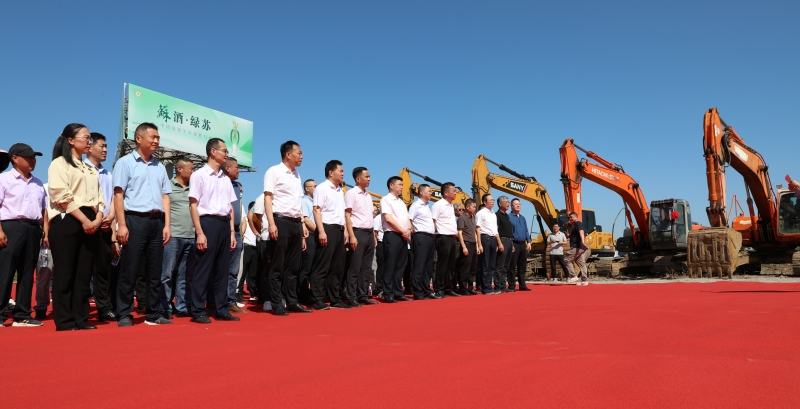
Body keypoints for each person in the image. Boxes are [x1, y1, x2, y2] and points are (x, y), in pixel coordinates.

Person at [112, 122, 173, 327]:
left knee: (155, 270)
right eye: (153, 137)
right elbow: (118, 195)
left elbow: (165, 197)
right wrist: (121, 224)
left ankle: (153, 312)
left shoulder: (160, 166)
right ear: (139, 138)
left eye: (158, 137)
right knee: (130, 268)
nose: (156, 141)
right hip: (134, 219)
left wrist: (167, 225)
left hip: (157, 222)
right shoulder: (125, 163)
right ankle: (124, 313)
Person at [48, 124, 105, 330]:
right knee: (65, 271)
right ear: (71, 140)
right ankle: (65, 320)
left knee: (84, 272)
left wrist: (97, 219)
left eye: (90, 138)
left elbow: (100, 199)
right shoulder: (59, 164)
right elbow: (61, 196)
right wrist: (84, 220)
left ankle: (81, 318)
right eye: (86, 137)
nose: (89, 141)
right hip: (68, 219)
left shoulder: (90, 169)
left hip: (91, 219)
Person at [188, 138, 240, 323]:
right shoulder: (199, 175)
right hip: (208, 223)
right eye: (224, 151)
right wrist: (200, 232)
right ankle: (197, 310)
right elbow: (193, 205)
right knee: (203, 268)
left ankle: (222, 309)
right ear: (212, 151)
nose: (226, 154)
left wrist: (232, 232)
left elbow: (230, 207)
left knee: (222, 269)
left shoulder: (225, 179)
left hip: (225, 225)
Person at [0, 143, 47, 327]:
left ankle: (22, 314)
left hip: (34, 228)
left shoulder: (38, 183)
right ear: (15, 158)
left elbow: (44, 210)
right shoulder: (4, 179)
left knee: (28, 272)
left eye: (34, 157)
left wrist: (45, 231)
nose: (32, 160)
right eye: (28, 157)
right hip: (11, 226)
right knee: (6, 271)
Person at [263, 141, 309, 316]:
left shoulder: (297, 175)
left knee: (294, 266)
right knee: (278, 265)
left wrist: (302, 224)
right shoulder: (274, 171)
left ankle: (292, 301)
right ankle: (276, 303)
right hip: (280, 220)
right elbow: (268, 198)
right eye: (299, 153)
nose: (302, 156)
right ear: (288, 154)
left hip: (296, 222)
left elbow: (298, 202)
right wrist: (272, 223)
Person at [84, 133, 117, 321]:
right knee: (83, 269)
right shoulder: (81, 170)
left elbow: (113, 199)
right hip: (87, 225)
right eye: (101, 146)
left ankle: (104, 308)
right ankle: (80, 307)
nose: (105, 150)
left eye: (106, 146)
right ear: (89, 147)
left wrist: (110, 216)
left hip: (105, 227)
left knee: (102, 270)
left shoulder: (108, 175)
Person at [309, 160, 347, 310]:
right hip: (326, 228)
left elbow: (341, 213)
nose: (343, 173)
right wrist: (321, 231)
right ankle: (317, 299)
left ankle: (334, 298)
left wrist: (345, 231)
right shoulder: (322, 188)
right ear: (331, 172)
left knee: (337, 267)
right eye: (340, 171)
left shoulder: (340, 191)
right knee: (322, 265)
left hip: (339, 229)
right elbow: (316, 210)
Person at [161, 157, 195, 318]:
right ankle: (165, 306)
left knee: (186, 275)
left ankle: (182, 306)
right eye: (191, 169)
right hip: (173, 236)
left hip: (191, 236)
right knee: (167, 274)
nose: (193, 172)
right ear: (179, 169)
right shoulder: (167, 186)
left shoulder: (194, 188)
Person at [344, 167, 378, 305]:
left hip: (369, 233)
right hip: (357, 232)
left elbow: (370, 217)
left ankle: (362, 295)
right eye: (366, 176)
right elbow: (347, 215)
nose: (369, 179)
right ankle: (351, 296)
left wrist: (373, 236)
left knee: (366, 267)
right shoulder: (351, 194)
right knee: (355, 266)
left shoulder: (368, 196)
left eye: (369, 176)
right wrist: (351, 235)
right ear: (358, 179)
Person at [380, 176, 412, 303]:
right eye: (400, 184)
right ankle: (388, 293)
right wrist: (403, 231)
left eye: (402, 185)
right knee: (390, 265)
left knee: (400, 266)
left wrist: (408, 230)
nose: (402, 187)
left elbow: (407, 219)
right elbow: (388, 218)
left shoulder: (401, 202)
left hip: (403, 236)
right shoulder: (386, 200)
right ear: (391, 185)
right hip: (392, 235)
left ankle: (398, 292)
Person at [223, 158, 247, 314]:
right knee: (219, 268)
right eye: (236, 167)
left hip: (237, 231)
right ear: (227, 168)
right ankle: (215, 301)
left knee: (233, 270)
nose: (239, 170)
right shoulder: (219, 182)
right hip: (222, 229)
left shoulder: (237, 186)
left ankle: (231, 301)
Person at [408, 184, 438, 300]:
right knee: (419, 265)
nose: (431, 193)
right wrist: (411, 235)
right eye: (429, 191)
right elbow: (409, 220)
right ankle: (417, 291)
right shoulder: (416, 206)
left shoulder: (427, 207)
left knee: (428, 266)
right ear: (421, 192)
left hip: (430, 238)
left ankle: (426, 290)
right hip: (421, 236)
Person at [432, 182, 460, 298]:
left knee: (451, 265)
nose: (455, 193)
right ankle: (439, 288)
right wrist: (435, 235)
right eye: (453, 191)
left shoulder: (451, 206)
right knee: (442, 264)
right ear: (446, 193)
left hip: (452, 238)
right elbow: (433, 220)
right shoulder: (438, 205)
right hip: (443, 236)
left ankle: (448, 287)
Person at [475, 194, 502, 295]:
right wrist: (479, 244)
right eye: (490, 200)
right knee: (485, 264)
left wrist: (498, 243)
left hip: (493, 239)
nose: (492, 202)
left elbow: (495, 230)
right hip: (485, 238)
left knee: (492, 265)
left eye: (493, 200)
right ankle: (484, 287)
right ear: (484, 202)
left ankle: (489, 286)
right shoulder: (480, 213)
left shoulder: (493, 214)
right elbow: (478, 229)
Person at [298, 179, 316, 305]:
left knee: (314, 267)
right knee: (306, 267)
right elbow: (306, 220)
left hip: (317, 235)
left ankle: (313, 294)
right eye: (314, 186)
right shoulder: (304, 201)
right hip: (309, 235)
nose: (317, 188)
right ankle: (302, 294)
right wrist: (320, 231)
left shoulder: (316, 202)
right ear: (307, 188)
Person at [508, 198, 532, 291]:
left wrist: (528, 242)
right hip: (514, 244)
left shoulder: (523, 218)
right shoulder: (509, 217)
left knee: (522, 266)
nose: (518, 205)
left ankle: (522, 285)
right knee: (512, 266)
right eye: (516, 204)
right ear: (511, 206)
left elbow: (526, 230)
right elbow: (509, 232)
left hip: (523, 244)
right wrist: (511, 244)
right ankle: (511, 286)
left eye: (519, 204)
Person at [456, 199, 478, 295]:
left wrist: (477, 245)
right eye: (473, 206)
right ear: (467, 207)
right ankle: (463, 287)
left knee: (473, 268)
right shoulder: (462, 218)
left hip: (473, 244)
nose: (474, 208)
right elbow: (460, 233)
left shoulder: (472, 218)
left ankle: (470, 287)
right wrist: (464, 247)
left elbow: (474, 233)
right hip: (467, 244)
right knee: (465, 267)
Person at [239, 201, 258, 302]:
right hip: (246, 247)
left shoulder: (257, 221)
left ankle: (252, 292)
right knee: (243, 271)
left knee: (253, 272)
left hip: (255, 248)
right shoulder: (245, 220)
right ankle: (239, 292)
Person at [495, 196, 513, 292]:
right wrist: (499, 243)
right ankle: (498, 286)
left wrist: (512, 244)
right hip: (502, 240)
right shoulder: (497, 215)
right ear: (500, 204)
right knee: (500, 266)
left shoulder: (507, 216)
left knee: (506, 266)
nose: (508, 204)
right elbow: (496, 230)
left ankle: (503, 285)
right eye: (506, 202)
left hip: (509, 241)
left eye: (508, 202)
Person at [565, 211, 589, 285]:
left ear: (576, 216)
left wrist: (583, 242)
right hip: (580, 247)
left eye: (571, 217)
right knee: (581, 264)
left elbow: (581, 232)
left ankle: (573, 276)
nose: (570, 219)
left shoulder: (578, 223)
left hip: (577, 246)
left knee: (566, 259)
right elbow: (576, 235)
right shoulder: (574, 225)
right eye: (569, 218)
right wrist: (569, 236)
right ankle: (584, 280)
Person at [373, 206, 384, 297]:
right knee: (381, 267)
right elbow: (375, 232)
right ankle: (379, 288)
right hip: (381, 243)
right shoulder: (378, 218)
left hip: (389, 244)